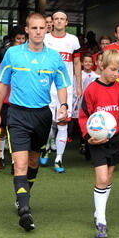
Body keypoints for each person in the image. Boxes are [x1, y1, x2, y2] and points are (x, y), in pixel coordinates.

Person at [0, 13, 70, 232]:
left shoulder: (54, 57)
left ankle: (25, 194)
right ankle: (24, 210)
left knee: (34, 163)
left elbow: (62, 84)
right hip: (17, 115)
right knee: (21, 164)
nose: (37, 32)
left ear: (47, 29)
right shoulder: (13, 54)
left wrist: (63, 106)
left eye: (41, 28)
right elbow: (2, 86)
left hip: (42, 116)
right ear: (26, 30)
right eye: (33, 28)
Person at [79, 49, 119, 238]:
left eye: (118, 70)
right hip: (97, 141)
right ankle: (101, 220)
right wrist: (88, 136)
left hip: (115, 138)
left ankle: (98, 210)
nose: (115, 74)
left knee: (108, 177)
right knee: (102, 178)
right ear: (101, 66)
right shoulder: (92, 90)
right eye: (112, 69)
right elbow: (83, 115)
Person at [43, 11, 81, 172]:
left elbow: (77, 62)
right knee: (46, 122)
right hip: (46, 86)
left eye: (62, 19)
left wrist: (79, 84)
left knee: (63, 122)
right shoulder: (45, 38)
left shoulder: (73, 40)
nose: (59, 21)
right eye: (56, 19)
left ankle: (59, 159)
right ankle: (45, 148)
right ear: (52, 21)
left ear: (67, 22)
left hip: (66, 87)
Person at [0, 28, 26, 167]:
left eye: (23, 39)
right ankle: (0, 157)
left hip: (20, 104)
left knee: (18, 133)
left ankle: (16, 162)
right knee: (1, 131)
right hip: (3, 104)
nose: (21, 42)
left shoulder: (28, 61)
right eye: (18, 39)